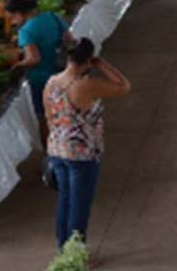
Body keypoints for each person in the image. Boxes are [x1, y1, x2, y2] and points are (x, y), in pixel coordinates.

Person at [44, 38, 131, 252]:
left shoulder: (52, 82)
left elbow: (49, 118)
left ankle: (63, 248)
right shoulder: (87, 85)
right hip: (82, 153)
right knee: (80, 206)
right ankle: (76, 252)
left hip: (57, 149)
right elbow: (124, 87)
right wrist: (103, 65)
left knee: (65, 200)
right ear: (88, 60)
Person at [6, 0, 73, 128]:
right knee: (64, 111)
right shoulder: (53, 17)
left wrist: (16, 66)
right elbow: (70, 40)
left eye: (12, 17)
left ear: (20, 13)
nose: (12, 22)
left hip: (41, 80)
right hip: (63, 73)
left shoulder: (25, 31)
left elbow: (33, 59)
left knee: (45, 117)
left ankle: (49, 146)